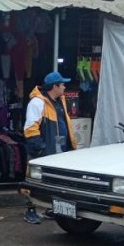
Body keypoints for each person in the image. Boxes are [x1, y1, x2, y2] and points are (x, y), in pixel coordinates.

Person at [23, 71, 77, 224]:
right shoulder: (37, 102)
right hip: (44, 151)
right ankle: (30, 211)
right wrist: (41, 148)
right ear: (55, 86)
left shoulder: (60, 101)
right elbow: (30, 128)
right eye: (62, 84)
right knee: (34, 181)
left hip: (58, 150)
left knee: (55, 181)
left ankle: (51, 209)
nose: (65, 87)